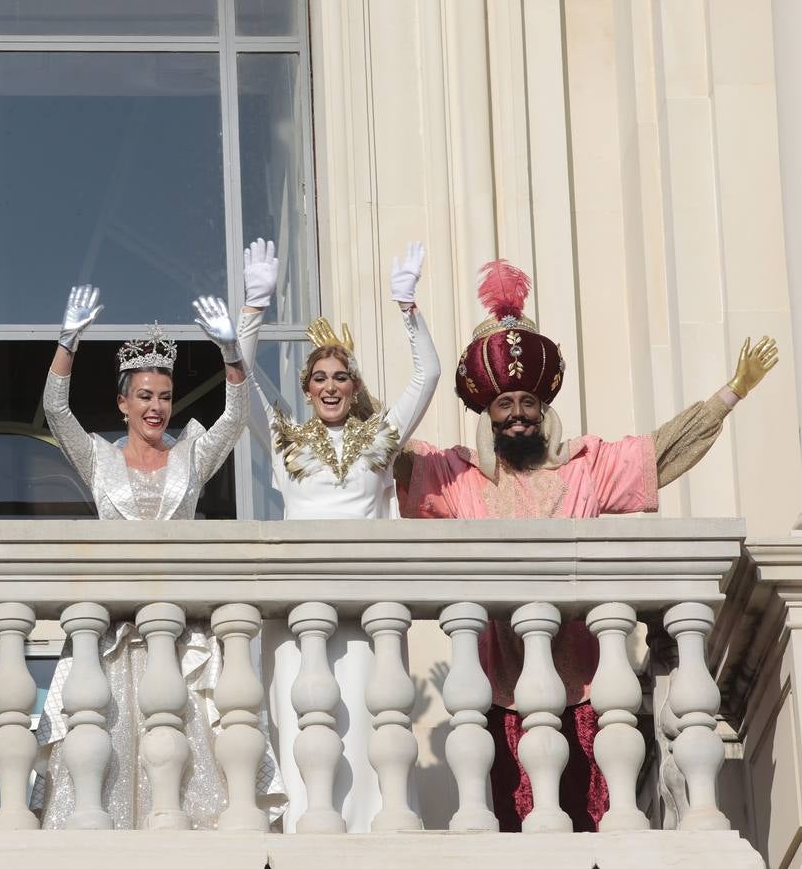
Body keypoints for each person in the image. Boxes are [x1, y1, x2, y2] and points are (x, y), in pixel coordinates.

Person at [395, 259, 779, 831]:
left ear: (542, 407)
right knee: (502, 829)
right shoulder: (457, 476)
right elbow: (381, 454)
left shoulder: (586, 467)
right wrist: (343, 393)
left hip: (586, 688)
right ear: (488, 412)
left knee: (594, 825)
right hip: (496, 691)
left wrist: (729, 394)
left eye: (528, 402)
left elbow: (658, 454)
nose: (519, 415)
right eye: (505, 404)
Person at [36, 278, 284, 828]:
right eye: (144, 396)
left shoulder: (192, 455)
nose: (156, 407)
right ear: (122, 402)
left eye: (165, 396)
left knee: (187, 763)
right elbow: (55, 409)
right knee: (105, 756)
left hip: (181, 636)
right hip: (111, 636)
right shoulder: (99, 458)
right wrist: (68, 342)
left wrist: (229, 353)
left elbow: (236, 417)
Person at [237, 240, 439, 832]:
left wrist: (407, 307)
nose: (330, 386)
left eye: (341, 377)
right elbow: (243, 379)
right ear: (305, 387)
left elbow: (426, 375)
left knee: (373, 722)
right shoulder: (284, 438)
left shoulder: (381, 436)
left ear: (354, 386)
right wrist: (254, 307)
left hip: (368, 602)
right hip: (300, 606)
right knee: (304, 721)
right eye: (319, 377)